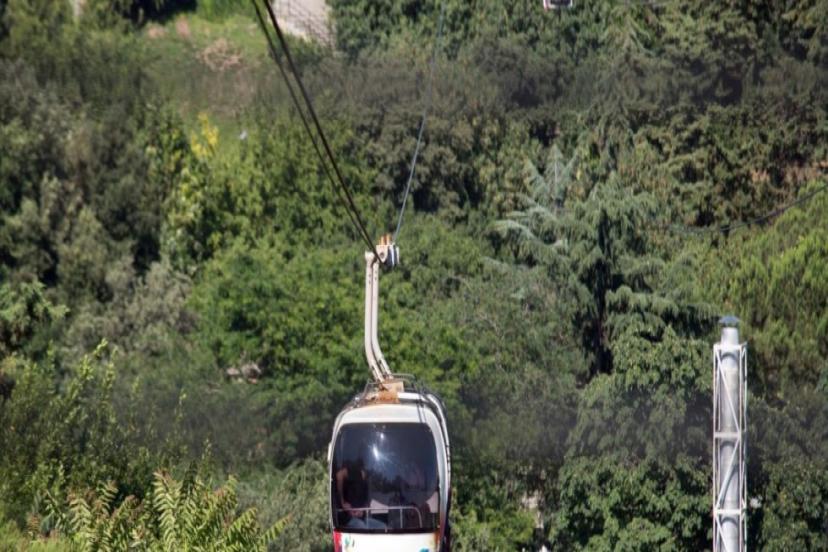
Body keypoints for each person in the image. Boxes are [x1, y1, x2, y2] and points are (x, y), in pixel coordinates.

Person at [336, 458, 385, 530]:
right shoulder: (356, 472)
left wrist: (362, 511)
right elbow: (339, 475)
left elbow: (366, 503)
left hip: (362, 519)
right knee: (363, 528)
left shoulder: (368, 483)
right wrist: (342, 502)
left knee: (382, 526)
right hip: (348, 518)